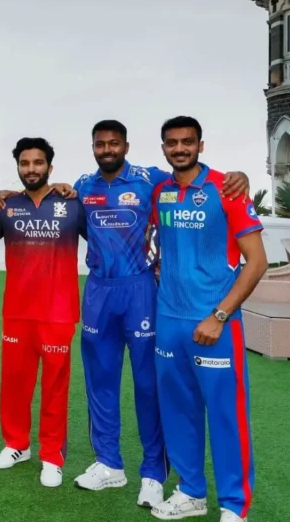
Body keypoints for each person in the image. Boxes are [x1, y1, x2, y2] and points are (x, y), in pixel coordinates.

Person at [71, 120, 249, 507]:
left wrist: (241, 176)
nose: (107, 149)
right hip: (99, 290)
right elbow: (75, 218)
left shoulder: (150, 180)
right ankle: (108, 465)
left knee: (150, 385)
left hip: (141, 292)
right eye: (100, 144)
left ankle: (153, 472)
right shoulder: (83, 186)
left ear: (126, 145)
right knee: (99, 382)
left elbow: (191, 178)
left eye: (113, 143)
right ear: (93, 147)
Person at [148, 116, 265, 522]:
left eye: (187, 142)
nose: (179, 148)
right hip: (168, 320)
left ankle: (235, 505)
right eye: (172, 143)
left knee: (225, 414)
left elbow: (257, 262)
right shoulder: (159, 190)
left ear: (201, 145)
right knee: (178, 409)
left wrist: (219, 315)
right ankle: (192, 492)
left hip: (215, 325)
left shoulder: (227, 188)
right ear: (163, 147)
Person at [0, 137, 85, 488]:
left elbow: (104, 239)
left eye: (38, 163)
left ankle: (52, 456)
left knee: (55, 388)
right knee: (14, 384)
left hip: (58, 312)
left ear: (49, 168)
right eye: (25, 164)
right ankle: (16, 445)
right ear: (18, 168)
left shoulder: (71, 203)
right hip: (18, 311)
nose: (31, 169)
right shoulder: (6, 206)